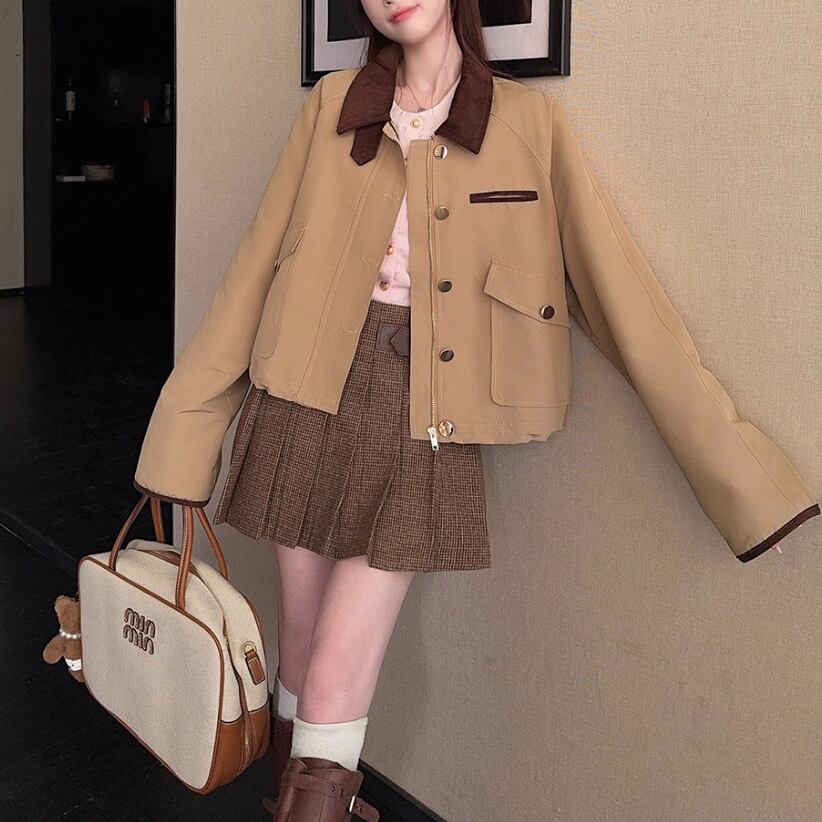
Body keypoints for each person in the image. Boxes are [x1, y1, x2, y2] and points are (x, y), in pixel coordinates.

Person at [132, 2, 819, 820]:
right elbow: (255, 267)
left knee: (339, 666)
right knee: (304, 652)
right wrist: (181, 439)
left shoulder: (527, 123)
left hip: (427, 411)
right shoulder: (332, 105)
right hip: (301, 398)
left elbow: (622, 297)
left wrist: (737, 473)